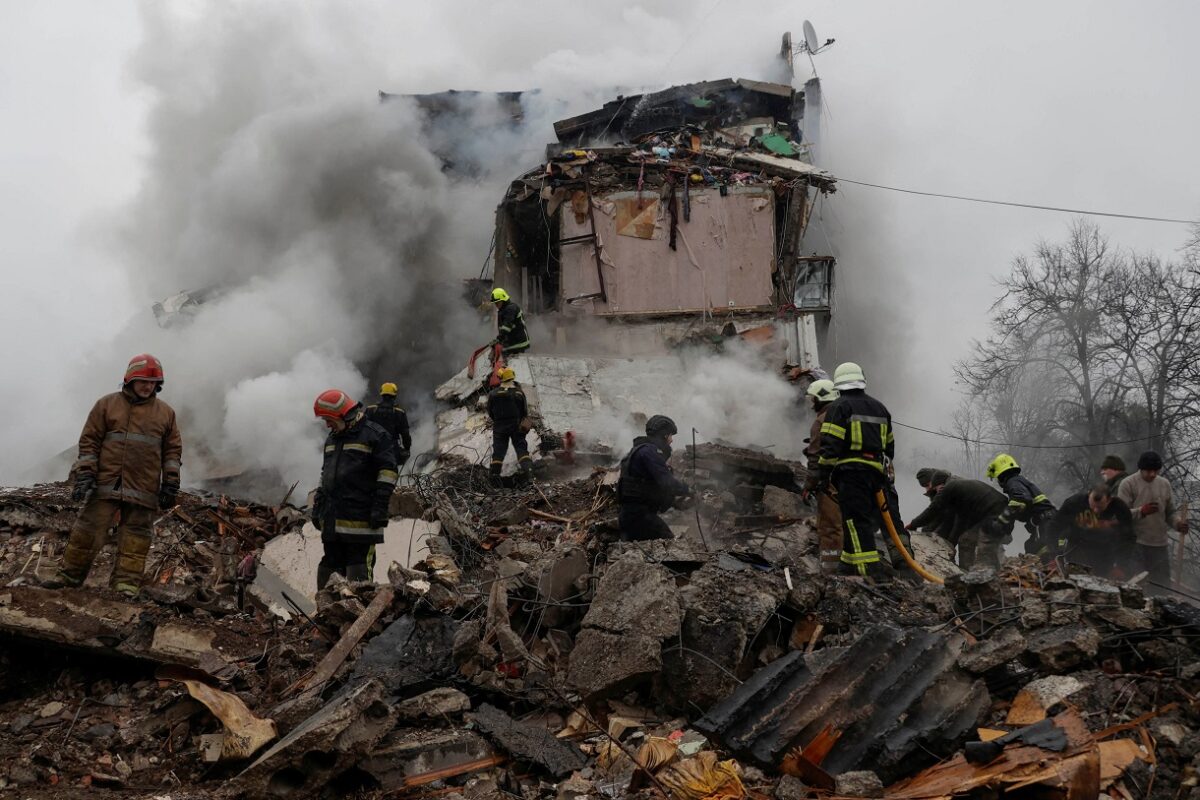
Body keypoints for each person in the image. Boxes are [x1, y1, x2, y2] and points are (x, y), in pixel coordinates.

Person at [52, 354, 183, 596]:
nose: (148, 386)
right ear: (130, 379)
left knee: (136, 540)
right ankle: (68, 578)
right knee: (87, 532)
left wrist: (171, 483)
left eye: (153, 383)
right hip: (105, 484)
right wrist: (86, 475)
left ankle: (125, 587)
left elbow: (172, 451)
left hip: (144, 489)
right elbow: (89, 442)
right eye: (143, 380)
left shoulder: (166, 414)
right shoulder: (106, 405)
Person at [816, 362, 910, 578]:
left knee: (854, 520)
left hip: (851, 473)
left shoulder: (839, 407)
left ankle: (867, 568)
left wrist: (824, 475)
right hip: (876, 474)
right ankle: (849, 563)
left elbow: (830, 445)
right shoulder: (880, 408)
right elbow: (890, 447)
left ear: (838, 385)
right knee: (868, 518)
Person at [311, 389, 398, 588]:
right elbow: (326, 476)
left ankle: (359, 616)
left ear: (344, 415)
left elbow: (388, 472)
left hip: (361, 521)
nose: (327, 424)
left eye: (329, 419)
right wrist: (318, 506)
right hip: (332, 521)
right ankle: (327, 614)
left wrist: (380, 506)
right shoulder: (332, 439)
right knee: (328, 567)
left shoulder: (375, 436)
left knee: (358, 571)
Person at [906, 469, 1009, 569]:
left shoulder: (949, 487)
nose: (930, 489)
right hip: (995, 509)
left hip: (992, 511)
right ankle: (990, 570)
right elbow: (958, 519)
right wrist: (950, 542)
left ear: (939, 485)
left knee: (967, 540)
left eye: (932, 487)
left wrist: (914, 524)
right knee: (971, 539)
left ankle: (969, 573)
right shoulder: (955, 485)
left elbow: (934, 511)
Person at [1116, 450, 1188, 586]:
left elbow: (1170, 513)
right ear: (1141, 469)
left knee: (1162, 588)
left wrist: (1178, 524)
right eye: (1149, 471)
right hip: (1136, 545)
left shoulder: (1164, 484)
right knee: (1137, 588)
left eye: (1156, 471)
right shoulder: (1128, 484)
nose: (1152, 474)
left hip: (1159, 546)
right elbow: (1121, 515)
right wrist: (1141, 511)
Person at [616, 415, 692, 541]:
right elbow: (667, 482)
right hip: (640, 517)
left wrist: (675, 502)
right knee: (670, 548)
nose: (671, 440)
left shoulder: (637, 451)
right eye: (670, 436)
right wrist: (688, 490)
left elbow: (649, 488)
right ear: (664, 435)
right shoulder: (649, 452)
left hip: (631, 516)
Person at [801, 379, 843, 573]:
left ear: (822, 397)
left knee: (829, 526)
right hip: (853, 481)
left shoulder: (822, 419)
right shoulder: (845, 414)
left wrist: (809, 484)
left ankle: (830, 570)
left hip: (831, 482)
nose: (812, 404)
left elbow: (816, 457)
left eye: (814, 399)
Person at [1051, 483, 1134, 578]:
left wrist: (1121, 566)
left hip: (1106, 552)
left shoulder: (1120, 508)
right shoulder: (1073, 503)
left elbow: (1128, 537)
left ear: (1109, 500)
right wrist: (1054, 553)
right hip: (1078, 548)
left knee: (1101, 583)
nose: (1095, 511)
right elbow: (1054, 526)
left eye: (1100, 507)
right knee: (1076, 580)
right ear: (1088, 495)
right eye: (1092, 506)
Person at [985, 453, 1057, 558]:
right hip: (1047, 522)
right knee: (1030, 548)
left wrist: (1000, 521)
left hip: (1046, 523)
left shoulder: (1013, 482)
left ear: (1001, 476)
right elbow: (1018, 507)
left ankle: (1055, 571)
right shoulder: (1019, 481)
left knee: (1043, 554)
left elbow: (1020, 500)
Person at [487, 367, 533, 481]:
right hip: (516, 425)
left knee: (498, 452)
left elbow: (490, 412)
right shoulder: (519, 393)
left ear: (501, 378)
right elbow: (524, 412)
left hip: (499, 427)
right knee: (521, 449)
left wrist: (499, 421)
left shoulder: (493, 394)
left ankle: (494, 479)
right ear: (512, 376)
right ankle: (530, 476)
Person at [365, 382, 412, 468]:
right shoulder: (399, 412)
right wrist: (407, 449)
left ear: (381, 394)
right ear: (395, 395)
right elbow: (405, 433)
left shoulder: (370, 409)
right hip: (391, 449)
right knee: (390, 472)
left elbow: (363, 429)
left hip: (372, 448)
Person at [490, 287, 531, 356]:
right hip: (512, 342)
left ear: (503, 300)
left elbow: (507, 326)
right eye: (495, 303)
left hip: (519, 344)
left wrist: (499, 338)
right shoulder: (503, 310)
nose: (496, 305)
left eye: (497, 303)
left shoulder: (511, 309)